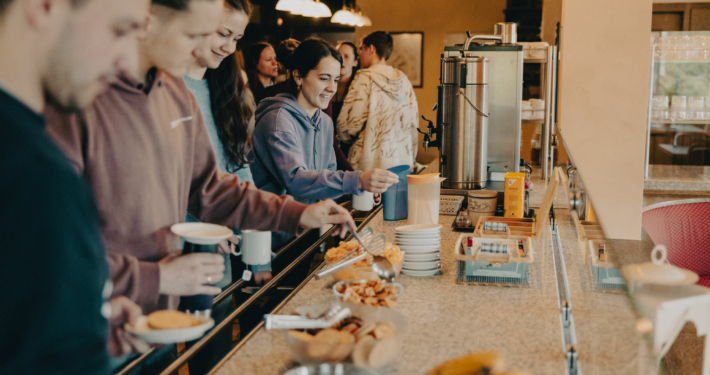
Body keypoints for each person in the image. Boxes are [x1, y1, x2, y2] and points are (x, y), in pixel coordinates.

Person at [45, 0, 355, 364]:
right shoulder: (80, 98)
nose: (203, 49)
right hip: (95, 323)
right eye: (195, 34)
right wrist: (155, 277)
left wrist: (298, 213)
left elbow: (210, 187)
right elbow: (52, 246)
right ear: (146, 20)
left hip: (161, 318)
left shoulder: (175, 94)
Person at [0, 0, 150, 372]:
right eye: (119, 30)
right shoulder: (36, 179)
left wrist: (81, 317)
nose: (129, 62)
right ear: (44, 6)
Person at [250, 38, 398, 207]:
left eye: (335, 79)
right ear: (298, 76)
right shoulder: (277, 121)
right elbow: (296, 181)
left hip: (309, 225)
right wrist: (357, 181)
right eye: (324, 78)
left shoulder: (325, 122)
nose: (332, 88)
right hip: (273, 230)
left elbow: (327, 178)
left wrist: (357, 192)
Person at [336, 31, 420, 171]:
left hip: (369, 165)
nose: (360, 54)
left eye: (362, 48)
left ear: (371, 49)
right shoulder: (404, 80)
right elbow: (413, 124)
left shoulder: (364, 78)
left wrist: (341, 139)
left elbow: (349, 126)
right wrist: (411, 155)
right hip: (401, 161)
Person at [332, 41, 358, 124]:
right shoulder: (325, 83)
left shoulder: (360, 87)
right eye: (338, 55)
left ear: (355, 62)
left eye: (346, 56)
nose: (341, 60)